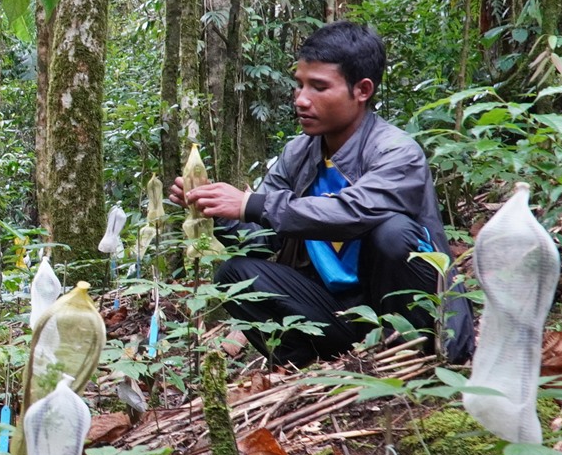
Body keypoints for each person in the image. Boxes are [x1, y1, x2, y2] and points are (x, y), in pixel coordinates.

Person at [172, 21, 474, 367]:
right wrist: (217, 211)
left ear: (362, 90)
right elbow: (263, 241)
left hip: (404, 309)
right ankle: (299, 368)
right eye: (299, 85)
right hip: (337, 310)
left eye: (318, 87)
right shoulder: (299, 154)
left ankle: (416, 354)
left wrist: (251, 204)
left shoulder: (396, 152)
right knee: (234, 273)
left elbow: (353, 213)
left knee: (392, 233)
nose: (301, 99)